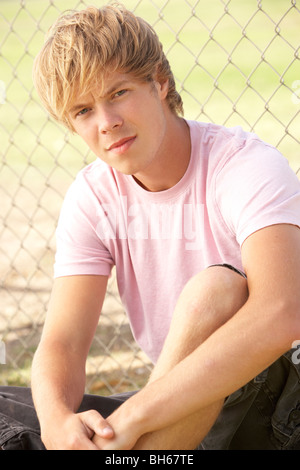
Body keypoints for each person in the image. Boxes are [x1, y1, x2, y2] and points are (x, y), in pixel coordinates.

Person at [1, 3, 300, 450]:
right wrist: (57, 422)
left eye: (118, 93)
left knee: (216, 289)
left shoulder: (243, 166)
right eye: (83, 111)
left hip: (281, 399)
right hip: (183, 407)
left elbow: (281, 312)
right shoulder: (94, 196)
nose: (107, 123)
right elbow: (62, 342)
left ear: (159, 80)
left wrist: (135, 416)